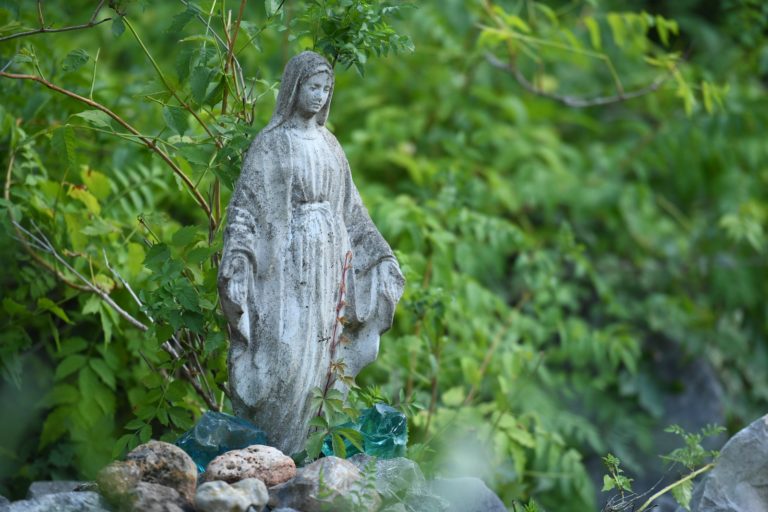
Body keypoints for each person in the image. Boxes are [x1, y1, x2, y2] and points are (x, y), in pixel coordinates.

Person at [218, 51, 404, 455]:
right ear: (294, 88)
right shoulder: (271, 145)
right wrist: (239, 255)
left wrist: (380, 255)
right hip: (284, 266)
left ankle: (309, 452)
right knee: (283, 353)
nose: (319, 95)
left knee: (324, 353)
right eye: (313, 87)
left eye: (326, 89)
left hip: (329, 263)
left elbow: (353, 211)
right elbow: (246, 208)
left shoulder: (331, 145)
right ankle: (271, 451)